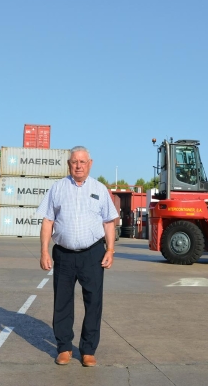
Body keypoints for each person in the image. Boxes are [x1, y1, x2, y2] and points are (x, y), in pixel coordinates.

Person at [37, 146, 119, 367]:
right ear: (69, 164)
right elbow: (47, 221)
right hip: (63, 254)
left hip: (92, 254)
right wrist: (44, 251)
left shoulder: (100, 189)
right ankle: (64, 348)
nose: (79, 165)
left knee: (93, 302)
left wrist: (110, 250)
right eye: (75, 162)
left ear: (90, 163)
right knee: (62, 302)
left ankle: (88, 350)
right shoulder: (57, 188)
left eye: (83, 162)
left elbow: (109, 222)